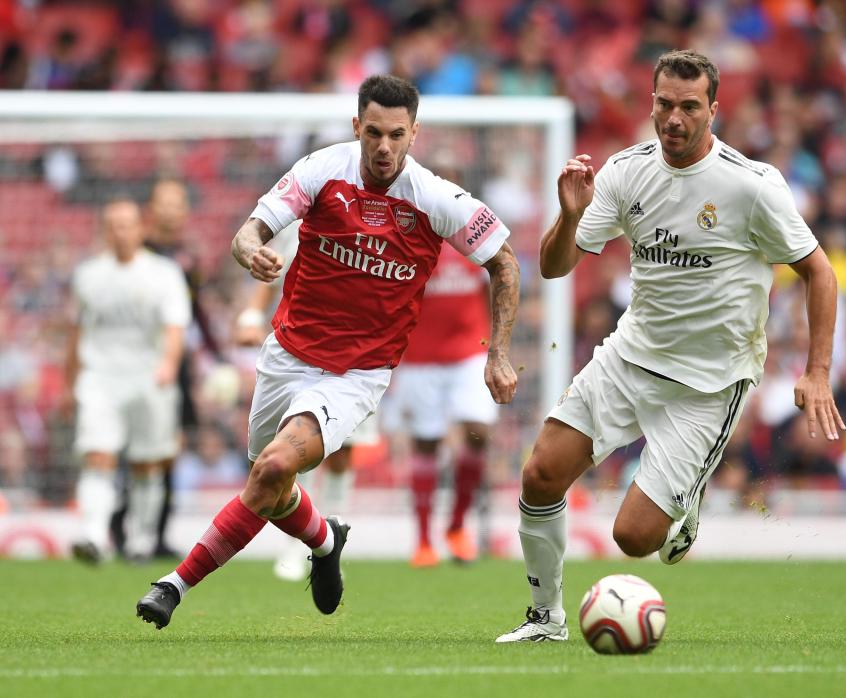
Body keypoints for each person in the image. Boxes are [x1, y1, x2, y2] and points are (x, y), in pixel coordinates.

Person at [135, 74, 520, 629]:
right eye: (372, 133)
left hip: (357, 373)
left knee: (271, 468)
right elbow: (250, 232)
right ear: (355, 128)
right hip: (287, 354)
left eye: (395, 135)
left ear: (414, 134)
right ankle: (324, 539)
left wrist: (498, 352)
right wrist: (251, 254)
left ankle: (172, 584)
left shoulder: (435, 197)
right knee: (271, 487)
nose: (383, 147)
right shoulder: (321, 170)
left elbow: (503, 261)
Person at [495, 49, 844, 643]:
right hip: (630, 357)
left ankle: (690, 492)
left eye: (688, 106)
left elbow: (821, 272)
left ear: (713, 109)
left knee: (633, 540)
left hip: (707, 384)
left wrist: (817, 370)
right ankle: (545, 618)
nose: (674, 118)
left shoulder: (751, 186)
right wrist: (567, 215)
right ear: (651, 102)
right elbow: (555, 267)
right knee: (540, 475)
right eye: (664, 104)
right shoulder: (627, 171)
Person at [233, 220, 372, 582]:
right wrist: (250, 316)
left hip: (357, 357)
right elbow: (272, 274)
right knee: (295, 449)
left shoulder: (372, 220)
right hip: (302, 356)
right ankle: (300, 544)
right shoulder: (297, 222)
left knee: (341, 452)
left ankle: (337, 530)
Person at [64, 196, 191, 563]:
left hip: (149, 378)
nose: (120, 232)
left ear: (141, 228)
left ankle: (141, 538)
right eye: (113, 225)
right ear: (105, 231)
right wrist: (69, 380)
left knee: (147, 462)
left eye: (127, 224)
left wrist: (168, 364)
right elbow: (76, 331)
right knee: (97, 454)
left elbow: (175, 326)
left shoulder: (164, 273)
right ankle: (93, 535)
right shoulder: (88, 275)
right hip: (100, 378)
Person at [110, 178, 224, 560]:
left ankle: (155, 532)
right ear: (151, 209)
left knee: (170, 448)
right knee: (138, 449)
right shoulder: (136, 253)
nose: (171, 211)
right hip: (134, 364)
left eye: (178, 204)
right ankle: (120, 524)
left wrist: (217, 354)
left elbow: (199, 313)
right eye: (165, 203)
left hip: (174, 366)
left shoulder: (186, 259)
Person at [382, 241, 500, 567]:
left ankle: (457, 526)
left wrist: (497, 345)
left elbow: (496, 284)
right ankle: (422, 541)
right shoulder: (408, 234)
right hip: (420, 357)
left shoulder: (474, 236)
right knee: (426, 443)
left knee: (478, 431)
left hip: (470, 352)